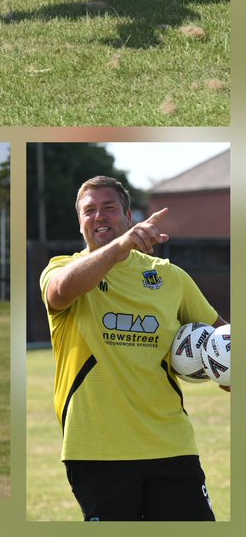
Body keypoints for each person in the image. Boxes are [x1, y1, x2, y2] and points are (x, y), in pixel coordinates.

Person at [39, 175, 229, 522]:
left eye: (109, 208)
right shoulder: (62, 268)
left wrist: (230, 370)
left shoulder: (169, 276)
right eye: (89, 211)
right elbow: (60, 292)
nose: (99, 217)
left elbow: (222, 336)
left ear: (129, 216)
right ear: (80, 222)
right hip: (96, 449)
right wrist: (119, 248)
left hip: (171, 444)